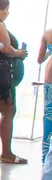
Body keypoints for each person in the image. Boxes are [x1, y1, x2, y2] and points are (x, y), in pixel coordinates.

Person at [0, 0, 28, 165]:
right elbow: (7, 49)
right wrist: (20, 53)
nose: (8, 13)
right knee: (8, 110)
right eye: (6, 9)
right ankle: (6, 152)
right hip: (2, 76)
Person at [38, 27, 52, 161]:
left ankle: (45, 159)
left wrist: (50, 51)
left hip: (50, 75)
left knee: (48, 117)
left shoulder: (48, 33)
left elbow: (40, 59)